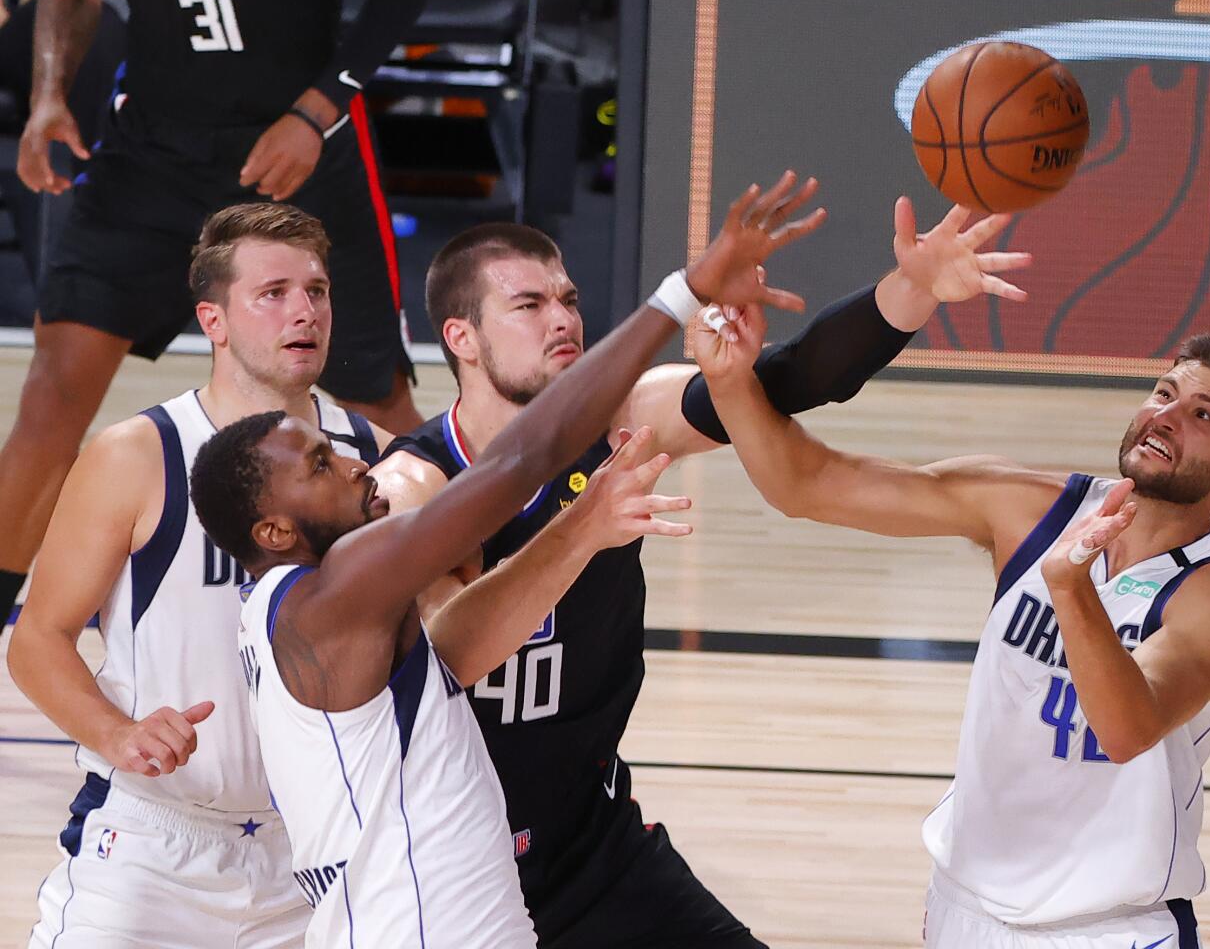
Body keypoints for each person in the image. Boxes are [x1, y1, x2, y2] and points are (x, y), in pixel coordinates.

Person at [364, 175, 1011, 948]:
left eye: (567, 299)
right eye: (528, 306)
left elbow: (791, 378)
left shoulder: (618, 420)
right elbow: (445, 657)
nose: (563, 320)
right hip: (445, 865)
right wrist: (580, 531)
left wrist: (908, 290)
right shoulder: (412, 486)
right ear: (461, 337)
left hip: (591, 849)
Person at [187, 173, 823, 948]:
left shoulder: (290, 604)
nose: (357, 465)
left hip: (493, 899)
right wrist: (679, 295)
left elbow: (466, 622)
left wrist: (582, 524)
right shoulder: (343, 593)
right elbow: (517, 467)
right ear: (276, 530)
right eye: (322, 468)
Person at [690, 198, 1210, 949]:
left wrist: (1070, 586)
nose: (1168, 415)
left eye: (1204, 415)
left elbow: (1128, 726)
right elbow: (806, 484)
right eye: (1165, 392)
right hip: (965, 906)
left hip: (1108, 929)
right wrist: (730, 379)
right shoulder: (1030, 506)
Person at [7, 202, 391, 948]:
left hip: (314, 849)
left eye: (316, 290)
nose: (303, 311)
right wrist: (118, 734)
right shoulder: (139, 453)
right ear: (213, 321)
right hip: (154, 845)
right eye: (272, 293)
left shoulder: (365, 450)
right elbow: (37, 641)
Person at [0, 0, 426, 631]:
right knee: (54, 393)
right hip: (149, 154)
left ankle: (448, 610)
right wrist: (49, 96)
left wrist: (316, 112)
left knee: (376, 406)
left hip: (294, 147)